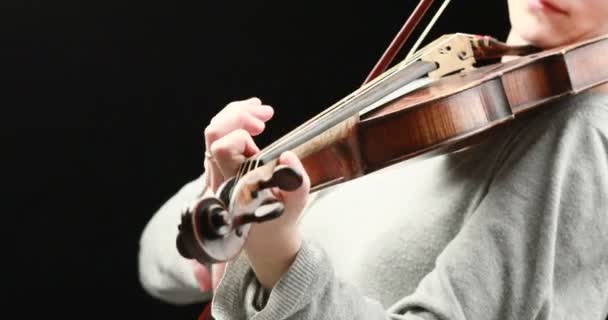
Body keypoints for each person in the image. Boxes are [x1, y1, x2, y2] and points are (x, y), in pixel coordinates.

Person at [137, 0, 608, 319]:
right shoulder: (449, 82)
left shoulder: (583, 135)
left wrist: (280, 260)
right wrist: (220, 196)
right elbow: (157, 261)